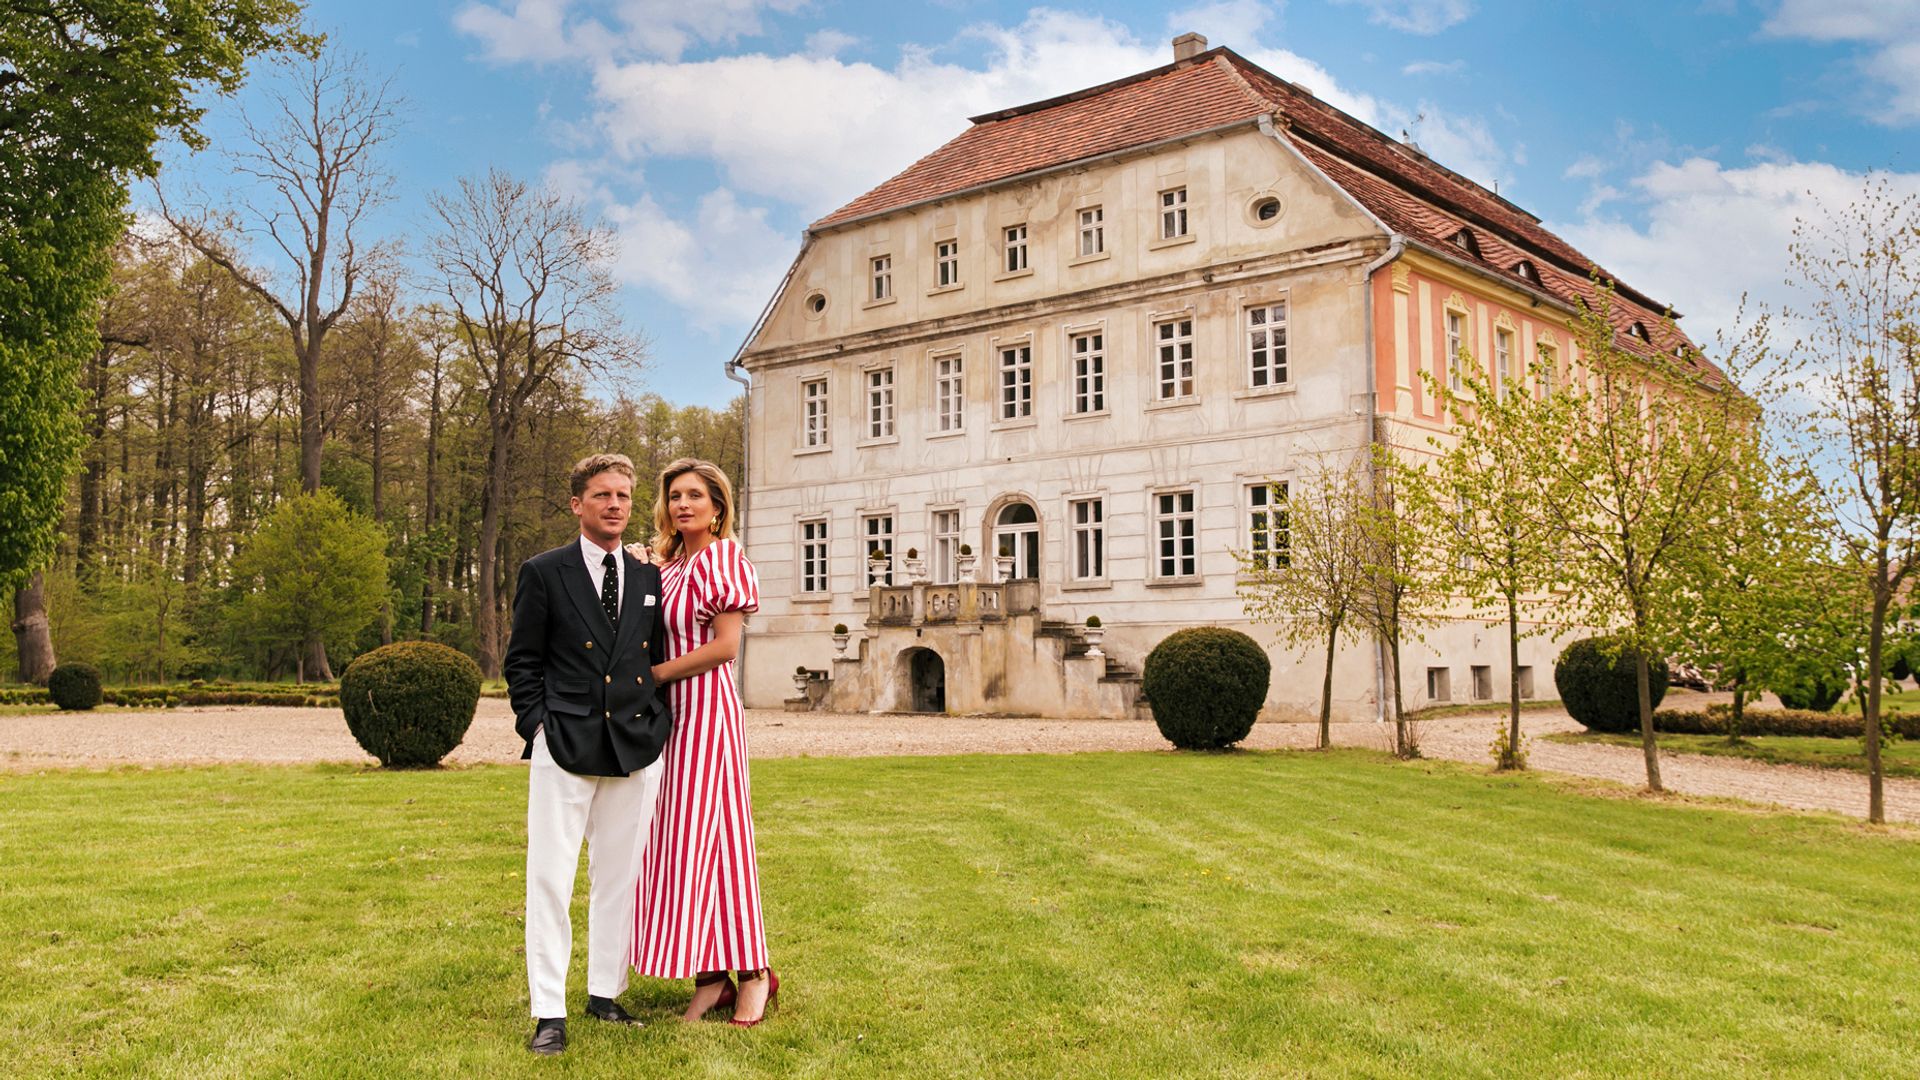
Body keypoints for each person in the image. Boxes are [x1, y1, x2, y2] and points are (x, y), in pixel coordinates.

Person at [505, 453, 672, 1056]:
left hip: (633, 742)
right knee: (549, 878)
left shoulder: (650, 577)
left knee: (619, 878)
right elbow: (522, 661)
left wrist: (657, 721)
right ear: (577, 504)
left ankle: (605, 992)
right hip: (565, 741)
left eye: (624, 495)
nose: (615, 505)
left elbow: (650, 655)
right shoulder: (544, 572)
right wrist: (539, 725)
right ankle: (549, 1010)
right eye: (603, 495)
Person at [628, 458, 778, 1026]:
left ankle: (754, 973)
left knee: (721, 840)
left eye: (694, 495)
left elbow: (725, 649)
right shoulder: (666, 565)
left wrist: (656, 676)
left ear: (718, 506)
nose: (682, 504)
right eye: (674, 496)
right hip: (668, 718)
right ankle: (711, 974)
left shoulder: (723, 559)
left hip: (707, 712)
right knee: (684, 844)